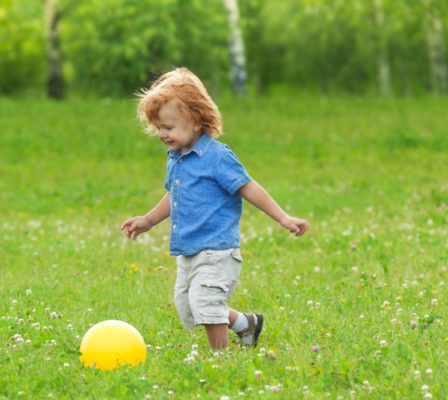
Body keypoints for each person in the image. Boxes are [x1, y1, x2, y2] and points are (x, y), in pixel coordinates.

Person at [120, 67, 309, 350]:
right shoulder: (176, 158)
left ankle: (220, 360)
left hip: (217, 249)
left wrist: (282, 217)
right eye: (158, 127)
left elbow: (249, 187)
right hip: (188, 248)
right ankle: (247, 324)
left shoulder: (218, 157)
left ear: (196, 121)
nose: (162, 134)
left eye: (168, 127)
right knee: (189, 308)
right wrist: (148, 220)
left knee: (207, 304)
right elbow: (175, 195)